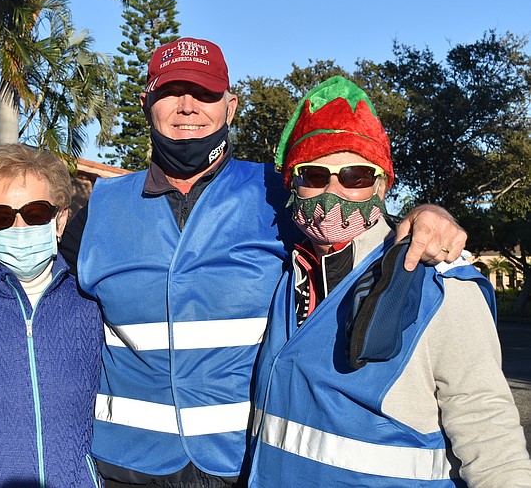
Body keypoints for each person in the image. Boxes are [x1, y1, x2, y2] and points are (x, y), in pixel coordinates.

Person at [62, 37, 468, 487]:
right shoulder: (100, 207)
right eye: (170, 92)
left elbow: (362, 231)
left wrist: (429, 214)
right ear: (146, 104)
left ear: (230, 107)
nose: (188, 106)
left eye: (205, 94)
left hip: (242, 464)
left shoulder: (280, 193)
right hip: (125, 465)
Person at [248, 76, 531, 487]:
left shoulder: (442, 286)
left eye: (356, 176)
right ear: (292, 184)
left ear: (383, 185)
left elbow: (488, 428)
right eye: (312, 174)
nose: (332, 189)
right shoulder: (283, 272)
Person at [0, 144, 103, 487]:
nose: (19, 226)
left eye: (36, 212)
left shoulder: (91, 304)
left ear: (60, 220)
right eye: (1, 216)